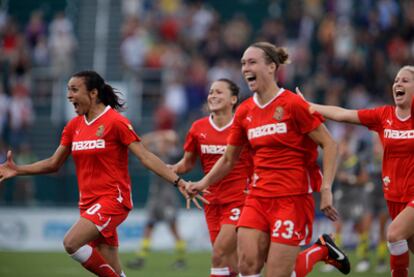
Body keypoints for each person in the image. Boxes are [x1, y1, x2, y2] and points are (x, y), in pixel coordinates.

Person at [0, 70, 201, 277]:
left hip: (113, 200)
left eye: (74, 90)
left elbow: (146, 157)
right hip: (88, 203)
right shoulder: (73, 126)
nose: (69, 95)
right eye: (68, 90)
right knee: (112, 265)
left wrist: (179, 182)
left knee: (71, 243)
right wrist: (18, 170)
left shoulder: (116, 122)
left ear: (93, 93)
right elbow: (53, 163)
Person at [187, 42, 350, 277]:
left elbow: (330, 144)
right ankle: (321, 250)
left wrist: (326, 189)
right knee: (246, 264)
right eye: (243, 63)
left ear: (272, 67)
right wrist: (202, 184)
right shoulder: (244, 112)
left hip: (291, 199)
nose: (245, 68)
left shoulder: (293, 104)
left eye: (252, 62)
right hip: (257, 197)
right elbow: (229, 159)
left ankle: (320, 250)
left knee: (277, 272)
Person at [297, 65, 414, 277]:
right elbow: (343, 114)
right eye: (396, 80)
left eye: (405, 80)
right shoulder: (383, 116)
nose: (398, 83)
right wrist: (311, 106)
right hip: (394, 196)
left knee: (394, 234)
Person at [170, 78, 253, 277]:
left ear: (233, 99)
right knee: (233, 263)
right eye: (211, 92)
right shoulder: (198, 128)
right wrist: (169, 168)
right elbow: (187, 164)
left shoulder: (244, 126)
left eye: (218, 92)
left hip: (240, 199)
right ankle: (319, 251)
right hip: (211, 201)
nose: (212, 96)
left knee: (218, 254)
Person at [126, 129, 187, 270]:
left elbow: (174, 139)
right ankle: (141, 258)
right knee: (149, 226)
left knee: (173, 228)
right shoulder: (155, 154)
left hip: (167, 198)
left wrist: (166, 138)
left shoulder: (172, 155)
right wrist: (155, 136)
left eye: (163, 142)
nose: (161, 144)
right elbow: (141, 142)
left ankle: (181, 259)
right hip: (155, 196)